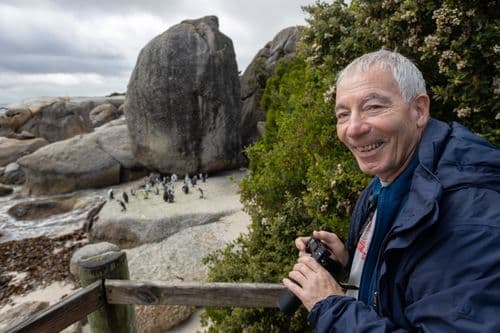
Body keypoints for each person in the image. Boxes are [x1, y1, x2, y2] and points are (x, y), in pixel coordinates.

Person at [283, 49, 500, 331]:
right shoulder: (387, 182)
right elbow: (403, 279)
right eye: (343, 114)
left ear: (419, 110)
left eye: (373, 107)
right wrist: (351, 262)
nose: (354, 128)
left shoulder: (470, 219)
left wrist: (331, 308)